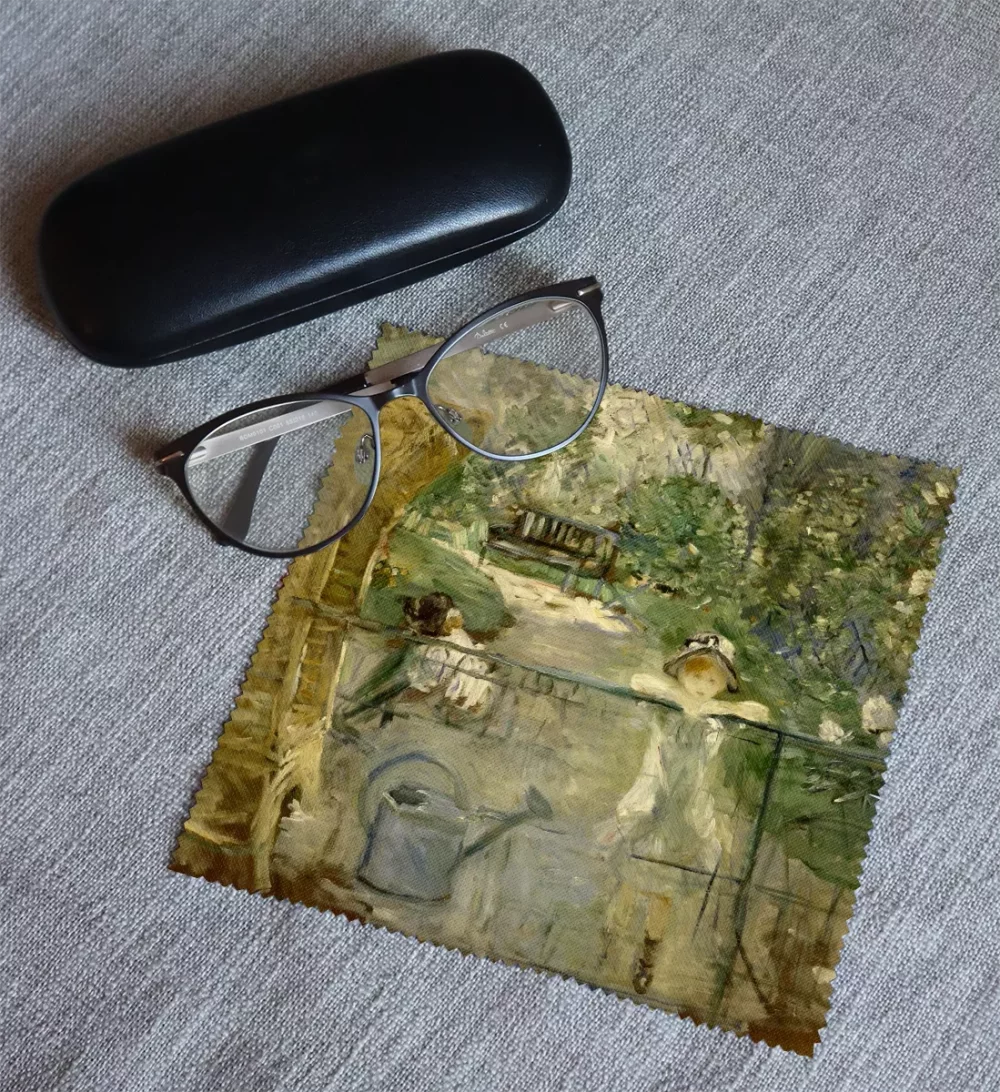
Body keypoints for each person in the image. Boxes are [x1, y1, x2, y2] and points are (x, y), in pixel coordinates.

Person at [599, 632, 770, 995]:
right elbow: (639, 681)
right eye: (696, 675)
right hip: (650, 805)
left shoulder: (716, 721)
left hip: (686, 818)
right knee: (631, 873)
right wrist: (686, 701)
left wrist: (718, 709)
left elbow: (759, 712)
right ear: (680, 672)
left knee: (664, 891)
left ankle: (648, 956)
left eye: (712, 681)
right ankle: (614, 928)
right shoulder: (666, 706)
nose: (702, 685)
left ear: (722, 686)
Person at [345, 592, 495, 719]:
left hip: (466, 693)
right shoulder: (450, 630)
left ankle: (356, 712)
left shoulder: (439, 651)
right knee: (397, 672)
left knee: (396, 681)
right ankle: (365, 710)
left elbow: (422, 684)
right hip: (460, 673)